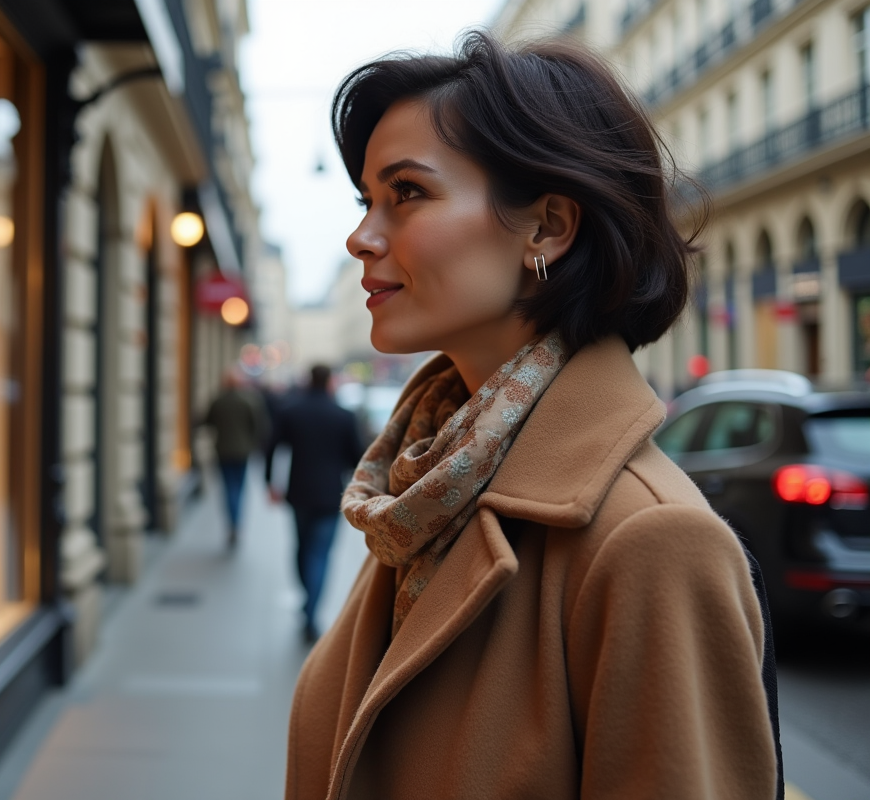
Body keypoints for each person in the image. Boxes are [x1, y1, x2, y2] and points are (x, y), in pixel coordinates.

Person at [284, 31, 783, 799]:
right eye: (365, 202)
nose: (360, 238)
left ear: (547, 227)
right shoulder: (422, 491)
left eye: (406, 193)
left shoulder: (649, 542)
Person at [265, 365, 363, 642]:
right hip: (330, 493)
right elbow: (357, 457)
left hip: (299, 492)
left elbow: (271, 446)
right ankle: (311, 610)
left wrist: (270, 482)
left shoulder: (291, 411)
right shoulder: (343, 416)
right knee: (320, 553)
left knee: (302, 548)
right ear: (330, 382)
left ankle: (308, 605)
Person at [204, 368, 267, 548]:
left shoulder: (218, 401)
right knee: (239, 487)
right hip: (242, 451)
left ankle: (232, 523)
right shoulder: (248, 400)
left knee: (228, 487)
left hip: (223, 450)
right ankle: (236, 523)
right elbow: (258, 426)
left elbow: (208, 422)